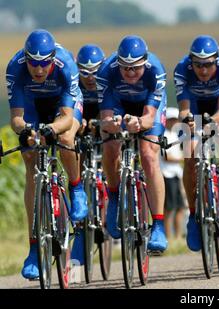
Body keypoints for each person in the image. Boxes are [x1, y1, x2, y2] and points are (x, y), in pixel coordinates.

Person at [6, 29, 87, 279]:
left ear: (52, 59)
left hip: (62, 108)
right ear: (26, 58)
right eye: (33, 63)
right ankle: (33, 249)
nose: (38, 69)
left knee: (64, 137)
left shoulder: (66, 66)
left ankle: (76, 188)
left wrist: (50, 129)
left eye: (43, 63)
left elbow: (66, 116)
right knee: (30, 156)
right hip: (32, 106)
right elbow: (17, 118)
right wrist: (27, 131)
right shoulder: (15, 68)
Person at [97, 35, 168, 253]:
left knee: (148, 155)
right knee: (110, 147)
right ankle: (115, 196)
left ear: (144, 63)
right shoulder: (106, 71)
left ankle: (157, 225)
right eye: (125, 68)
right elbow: (106, 118)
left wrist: (138, 123)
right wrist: (113, 124)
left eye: (135, 68)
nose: (129, 73)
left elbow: (149, 117)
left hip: (147, 108)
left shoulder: (155, 70)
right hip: (118, 105)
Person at [174, 35, 219, 251]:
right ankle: (194, 215)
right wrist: (189, 122)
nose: (203, 70)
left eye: (208, 64)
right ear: (191, 62)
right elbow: (184, 109)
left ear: (217, 60)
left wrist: (210, 123)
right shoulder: (182, 69)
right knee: (190, 153)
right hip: (194, 106)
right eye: (198, 65)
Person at [71, 44, 106, 265]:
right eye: (85, 72)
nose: (90, 77)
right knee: (76, 158)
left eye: (95, 72)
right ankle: (80, 221)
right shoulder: (74, 81)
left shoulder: (108, 79)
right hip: (82, 115)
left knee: (114, 152)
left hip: (105, 114)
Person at [160, 107, 186, 240]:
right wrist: (182, 159)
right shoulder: (163, 134)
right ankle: (168, 236)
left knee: (180, 207)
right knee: (169, 208)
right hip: (166, 173)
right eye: (173, 119)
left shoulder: (175, 135)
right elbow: (166, 157)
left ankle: (178, 236)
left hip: (176, 173)